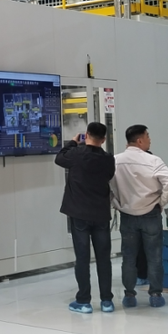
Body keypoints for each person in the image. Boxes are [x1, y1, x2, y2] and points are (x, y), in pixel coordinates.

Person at [55, 122, 117, 314]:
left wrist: (73, 143)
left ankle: (83, 301)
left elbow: (59, 158)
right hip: (100, 214)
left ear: (87, 135)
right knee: (104, 258)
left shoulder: (76, 154)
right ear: (104, 139)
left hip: (79, 213)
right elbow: (109, 175)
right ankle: (107, 301)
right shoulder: (108, 159)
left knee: (82, 258)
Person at [112, 125, 168, 308]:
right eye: (148, 136)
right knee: (154, 256)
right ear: (140, 140)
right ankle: (155, 295)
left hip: (127, 215)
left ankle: (129, 296)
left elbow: (106, 185)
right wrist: (161, 202)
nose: (150, 139)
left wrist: (116, 203)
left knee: (128, 257)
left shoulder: (115, 161)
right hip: (150, 214)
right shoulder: (153, 160)